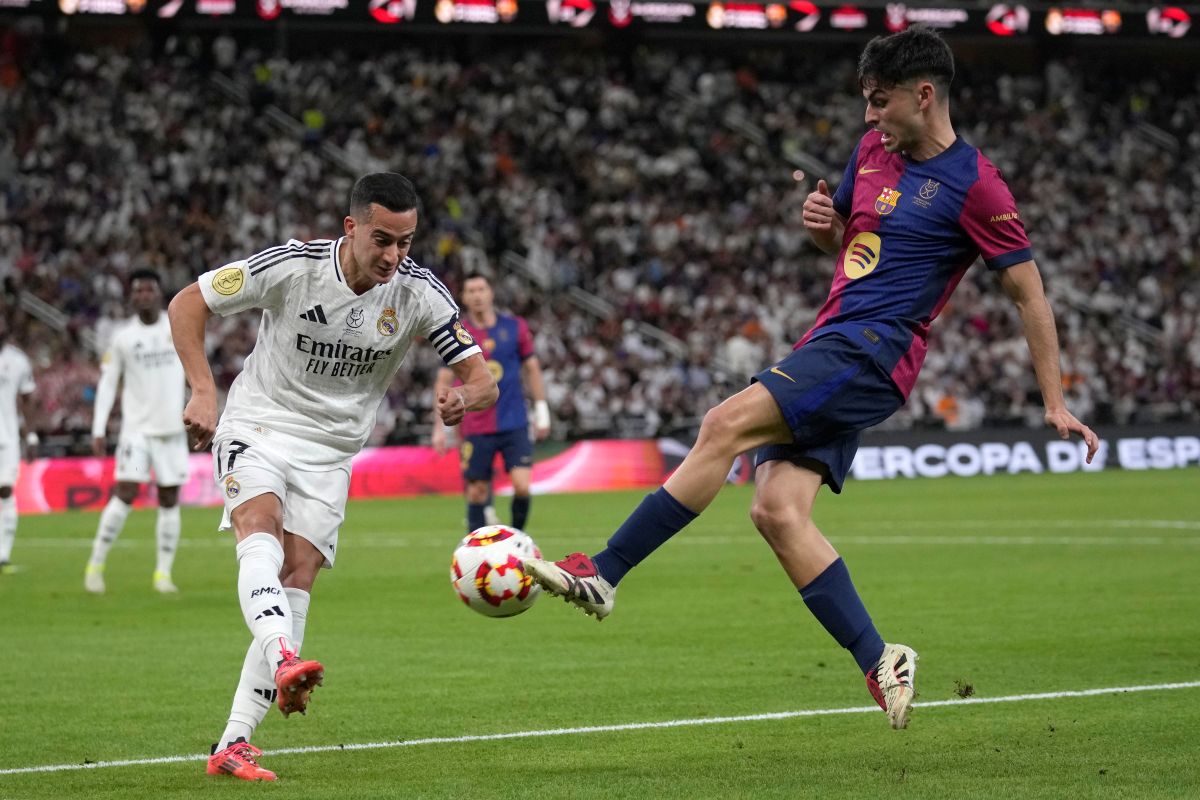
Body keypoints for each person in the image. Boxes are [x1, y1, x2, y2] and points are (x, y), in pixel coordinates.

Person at [524, 27, 1100, 731]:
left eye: (880, 101)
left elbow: (1029, 295)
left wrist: (1054, 400)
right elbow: (850, 245)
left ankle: (604, 572)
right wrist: (822, 227)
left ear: (925, 96)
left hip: (871, 352)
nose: (868, 116)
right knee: (776, 511)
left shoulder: (976, 184)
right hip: (833, 339)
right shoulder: (871, 152)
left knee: (720, 426)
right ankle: (879, 656)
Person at [168, 172, 496, 781]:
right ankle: (284, 656)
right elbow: (188, 301)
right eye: (383, 241)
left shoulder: (419, 293)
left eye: (406, 242)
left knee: (300, 575)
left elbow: (483, 376)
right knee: (257, 524)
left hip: (331, 451)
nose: (395, 256)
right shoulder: (292, 268)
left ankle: (233, 743)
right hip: (258, 423)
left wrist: (466, 399)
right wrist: (203, 389)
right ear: (350, 228)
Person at [85, 269, 189, 594]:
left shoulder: (178, 329)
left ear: (159, 293)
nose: (144, 295)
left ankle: (163, 574)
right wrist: (98, 427)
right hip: (137, 431)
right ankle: (96, 563)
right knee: (126, 492)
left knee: (170, 499)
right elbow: (107, 384)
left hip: (172, 429)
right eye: (138, 290)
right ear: (131, 297)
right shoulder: (123, 338)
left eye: (149, 289)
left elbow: (196, 370)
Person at [431, 273, 550, 533]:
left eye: (481, 289)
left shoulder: (515, 327)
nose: (477, 295)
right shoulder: (458, 332)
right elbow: (443, 378)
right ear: (463, 298)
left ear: (491, 293)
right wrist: (439, 427)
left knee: (522, 485)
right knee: (476, 491)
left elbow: (532, 369)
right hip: (475, 426)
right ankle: (475, 552)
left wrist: (542, 411)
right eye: (471, 290)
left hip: (513, 421)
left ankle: (517, 540)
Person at [0, 317, 37, 575]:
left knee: (5, 491)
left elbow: (26, 401)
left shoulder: (18, 361)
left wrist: (30, 435)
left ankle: (3, 554)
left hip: (7, 437)